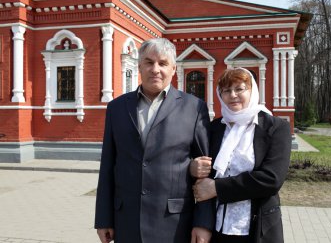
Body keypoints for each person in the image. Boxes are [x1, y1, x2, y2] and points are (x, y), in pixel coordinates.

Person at [95, 38, 214, 243]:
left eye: (163, 63)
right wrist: (103, 218)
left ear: (174, 68)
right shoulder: (116, 108)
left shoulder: (194, 108)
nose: (155, 69)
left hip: (174, 222)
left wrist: (203, 223)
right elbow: (108, 166)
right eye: (149, 62)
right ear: (139, 66)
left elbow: (205, 171)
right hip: (127, 220)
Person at [191, 68, 291, 243]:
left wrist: (217, 188)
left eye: (239, 89)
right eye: (226, 90)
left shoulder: (275, 127)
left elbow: (271, 179)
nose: (233, 95)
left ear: (252, 91)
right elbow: (203, 180)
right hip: (217, 229)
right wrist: (202, 223)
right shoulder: (214, 128)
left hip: (257, 229)